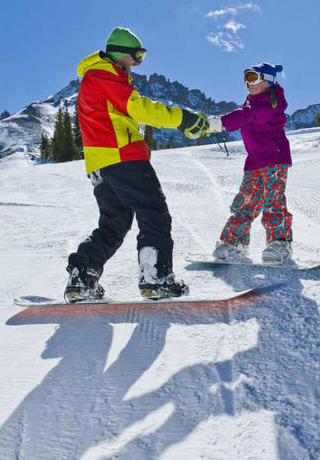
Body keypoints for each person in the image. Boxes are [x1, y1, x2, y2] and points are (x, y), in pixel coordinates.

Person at [65, 27, 210, 302]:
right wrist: (183, 119)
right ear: (122, 52)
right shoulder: (106, 74)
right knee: (153, 212)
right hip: (124, 157)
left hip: (101, 164)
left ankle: (82, 278)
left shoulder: (94, 77)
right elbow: (140, 108)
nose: (137, 63)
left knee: (114, 223)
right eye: (137, 56)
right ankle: (156, 277)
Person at [206, 63, 293, 263]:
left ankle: (280, 243)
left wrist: (218, 122)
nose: (249, 83)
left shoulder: (272, 102)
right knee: (245, 202)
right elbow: (244, 114)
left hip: (274, 159)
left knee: (273, 201)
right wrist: (215, 124)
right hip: (254, 161)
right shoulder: (251, 104)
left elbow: (248, 115)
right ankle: (234, 243)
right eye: (246, 79)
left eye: (253, 78)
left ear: (268, 80)